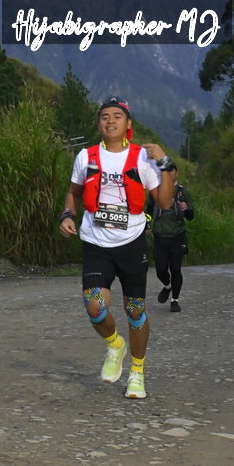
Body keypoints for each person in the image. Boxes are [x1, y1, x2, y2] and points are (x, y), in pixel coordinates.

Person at [59, 96, 175, 399]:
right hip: (95, 242)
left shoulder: (142, 158)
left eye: (117, 116)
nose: (110, 121)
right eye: (104, 116)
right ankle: (115, 345)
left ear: (128, 124)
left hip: (131, 243)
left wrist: (165, 163)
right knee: (95, 305)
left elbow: (164, 202)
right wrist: (67, 214)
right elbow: (73, 192)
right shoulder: (85, 156)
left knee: (135, 311)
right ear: (99, 123)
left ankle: (137, 372)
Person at [145, 166, 194, 313]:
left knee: (175, 269)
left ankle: (175, 300)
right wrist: (147, 223)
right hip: (160, 237)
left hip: (178, 236)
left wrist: (187, 208)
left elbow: (191, 216)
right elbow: (149, 210)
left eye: (172, 173)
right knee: (160, 270)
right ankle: (168, 286)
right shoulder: (156, 190)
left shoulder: (182, 192)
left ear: (177, 173)